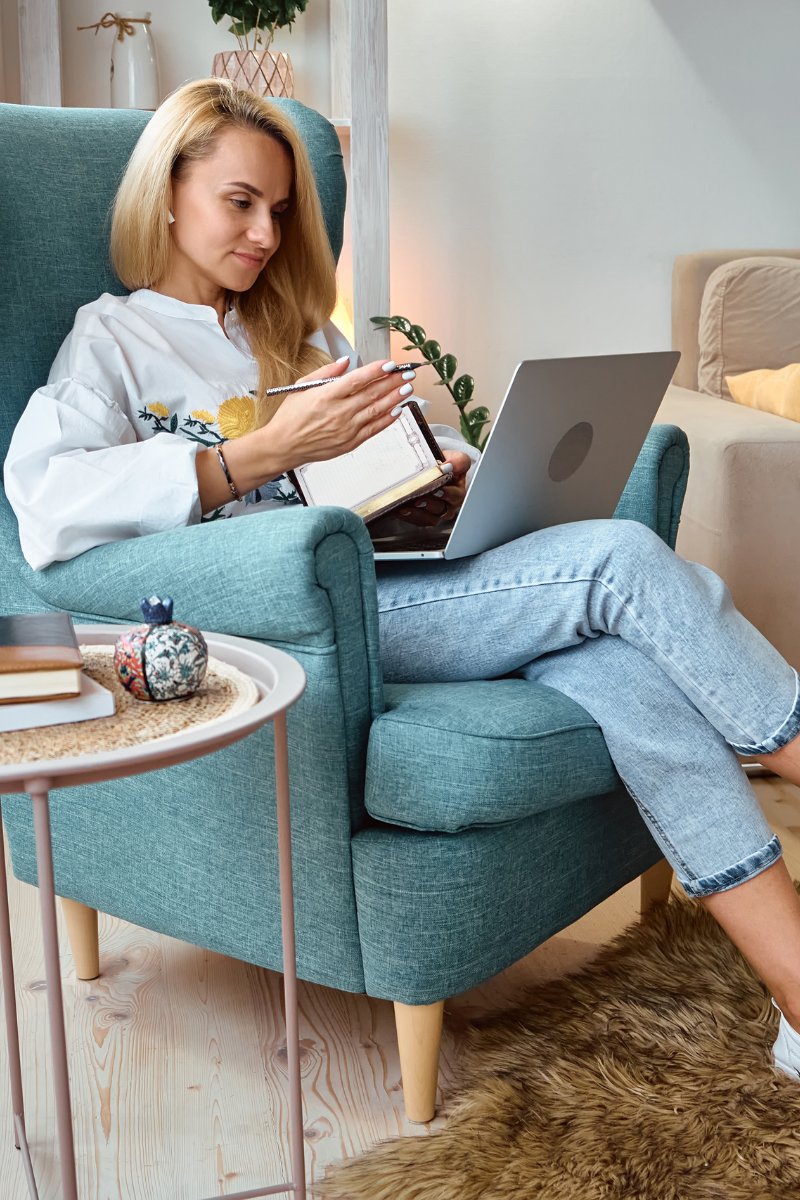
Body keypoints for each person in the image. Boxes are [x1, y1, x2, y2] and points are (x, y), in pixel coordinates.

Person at [6, 79, 800, 1082]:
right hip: (302, 622)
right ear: (166, 195)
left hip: (398, 576)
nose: (262, 232)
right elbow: (44, 503)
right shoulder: (112, 339)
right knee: (615, 560)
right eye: (237, 201)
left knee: (624, 677)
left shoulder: (301, 334)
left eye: (281, 210)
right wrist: (249, 457)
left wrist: (449, 468)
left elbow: (389, 456)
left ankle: (794, 1001)